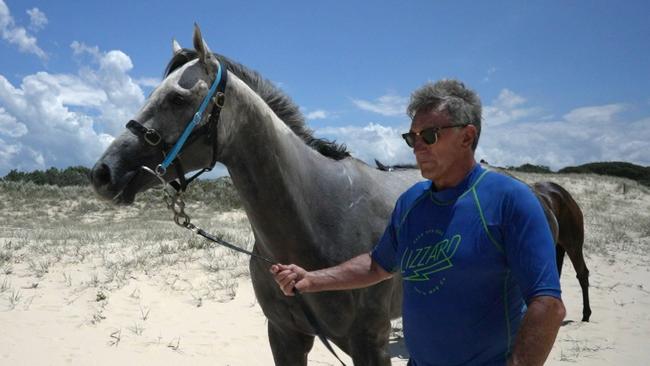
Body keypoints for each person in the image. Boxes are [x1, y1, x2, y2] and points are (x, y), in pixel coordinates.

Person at [270, 79, 565, 366]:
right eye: (412, 137)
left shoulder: (511, 201)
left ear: (467, 136)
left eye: (430, 136)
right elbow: (378, 265)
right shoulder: (412, 202)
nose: (417, 147)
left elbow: (548, 305)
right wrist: (311, 279)